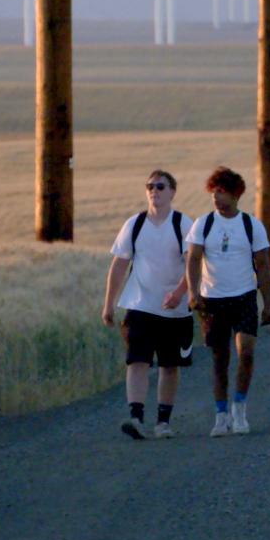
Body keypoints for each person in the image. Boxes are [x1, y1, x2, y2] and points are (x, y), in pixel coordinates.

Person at [101, 169, 194, 440]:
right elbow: (119, 264)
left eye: (160, 186)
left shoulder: (183, 224)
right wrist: (109, 303)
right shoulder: (134, 224)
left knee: (169, 364)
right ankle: (136, 417)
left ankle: (163, 421)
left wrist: (179, 293)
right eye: (150, 186)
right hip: (140, 305)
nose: (154, 191)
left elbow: (193, 264)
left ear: (172, 192)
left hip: (175, 309)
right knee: (137, 361)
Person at [185, 166, 270, 436]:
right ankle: (221, 415)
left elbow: (262, 264)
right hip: (213, 300)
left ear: (235, 195)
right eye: (213, 191)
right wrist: (193, 292)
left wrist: (267, 303)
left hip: (244, 296)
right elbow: (193, 259)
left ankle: (240, 409)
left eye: (221, 192)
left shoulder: (251, 225)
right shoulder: (203, 224)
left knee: (245, 352)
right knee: (219, 358)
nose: (216, 197)